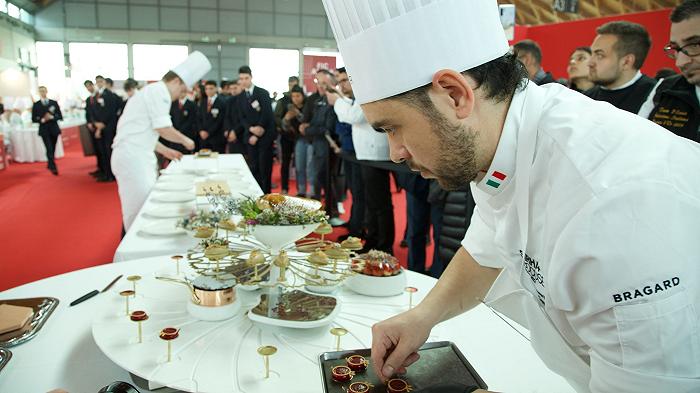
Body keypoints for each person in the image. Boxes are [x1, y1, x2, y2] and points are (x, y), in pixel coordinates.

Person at [323, 1, 700, 392]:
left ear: (454, 95)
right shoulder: (498, 138)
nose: (395, 153)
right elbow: (488, 245)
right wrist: (422, 317)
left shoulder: (613, 210)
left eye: (393, 127)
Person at [112, 51, 210, 232]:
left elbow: (144, 133)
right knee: (137, 211)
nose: (179, 95)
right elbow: (163, 128)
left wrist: (166, 151)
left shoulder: (152, 91)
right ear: (175, 81)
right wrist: (186, 141)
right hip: (132, 158)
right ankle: (131, 252)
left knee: (142, 205)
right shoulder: (160, 91)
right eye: (181, 90)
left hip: (136, 154)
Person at [639, 0, 700, 142]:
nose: (681, 62)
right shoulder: (665, 91)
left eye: (695, 45)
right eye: (676, 48)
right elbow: (639, 144)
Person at [586, 21, 658, 114]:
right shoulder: (586, 98)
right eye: (592, 53)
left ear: (626, 62)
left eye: (600, 55)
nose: (589, 63)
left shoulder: (654, 99)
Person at [237, 65, 276, 193]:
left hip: (265, 137)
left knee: (265, 169)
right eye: (241, 79)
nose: (243, 81)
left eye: (246, 78)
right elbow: (242, 117)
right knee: (254, 168)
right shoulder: (241, 96)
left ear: (251, 77)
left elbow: (267, 114)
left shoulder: (262, 93)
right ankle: (256, 196)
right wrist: (251, 130)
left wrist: (258, 130)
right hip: (250, 137)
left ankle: (267, 197)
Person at [274, 76, 301, 194]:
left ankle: (301, 189)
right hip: (285, 136)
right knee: (285, 162)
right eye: (290, 85)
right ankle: (284, 188)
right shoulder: (282, 101)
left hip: (300, 137)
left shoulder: (303, 100)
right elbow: (276, 118)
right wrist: (285, 121)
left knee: (300, 164)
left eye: (294, 86)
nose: (292, 89)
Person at [92, 75, 121, 182]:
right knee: (103, 151)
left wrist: (102, 124)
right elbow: (94, 111)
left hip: (108, 127)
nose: (99, 83)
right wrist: (96, 123)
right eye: (97, 81)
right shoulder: (97, 95)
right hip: (100, 126)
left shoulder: (109, 95)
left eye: (101, 81)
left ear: (105, 82)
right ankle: (105, 172)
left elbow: (111, 111)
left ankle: (111, 174)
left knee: (109, 151)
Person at [31, 86, 63, 175]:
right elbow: (33, 118)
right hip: (44, 130)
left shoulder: (53, 103)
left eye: (44, 91)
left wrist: (52, 117)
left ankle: (50, 162)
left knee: (52, 147)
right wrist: (42, 120)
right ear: (39, 93)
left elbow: (60, 116)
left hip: (54, 129)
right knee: (48, 147)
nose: (42, 92)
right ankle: (53, 167)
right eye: (40, 91)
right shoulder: (36, 105)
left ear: (47, 91)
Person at [197, 80, 227, 153]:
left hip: (216, 138)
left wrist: (208, 132)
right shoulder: (202, 102)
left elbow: (220, 120)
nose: (208, 91)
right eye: (206, 89)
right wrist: (201, 130)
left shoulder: (222, 102)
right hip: (203, 138)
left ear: (216, 89)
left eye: (211, 88)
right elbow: (198, 118)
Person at [84, 80, 102, 178]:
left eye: (90, 85)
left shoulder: (99, 96)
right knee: (96, 149)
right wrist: (89, 123)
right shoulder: (88, 99)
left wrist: (97, 123)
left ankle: (104, 169)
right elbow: (88, 113)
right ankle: (99, 168)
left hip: (100, 126)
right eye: (87, 87)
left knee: (102, 149)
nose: (89, 88)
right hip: (92, 127)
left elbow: (99, 113)